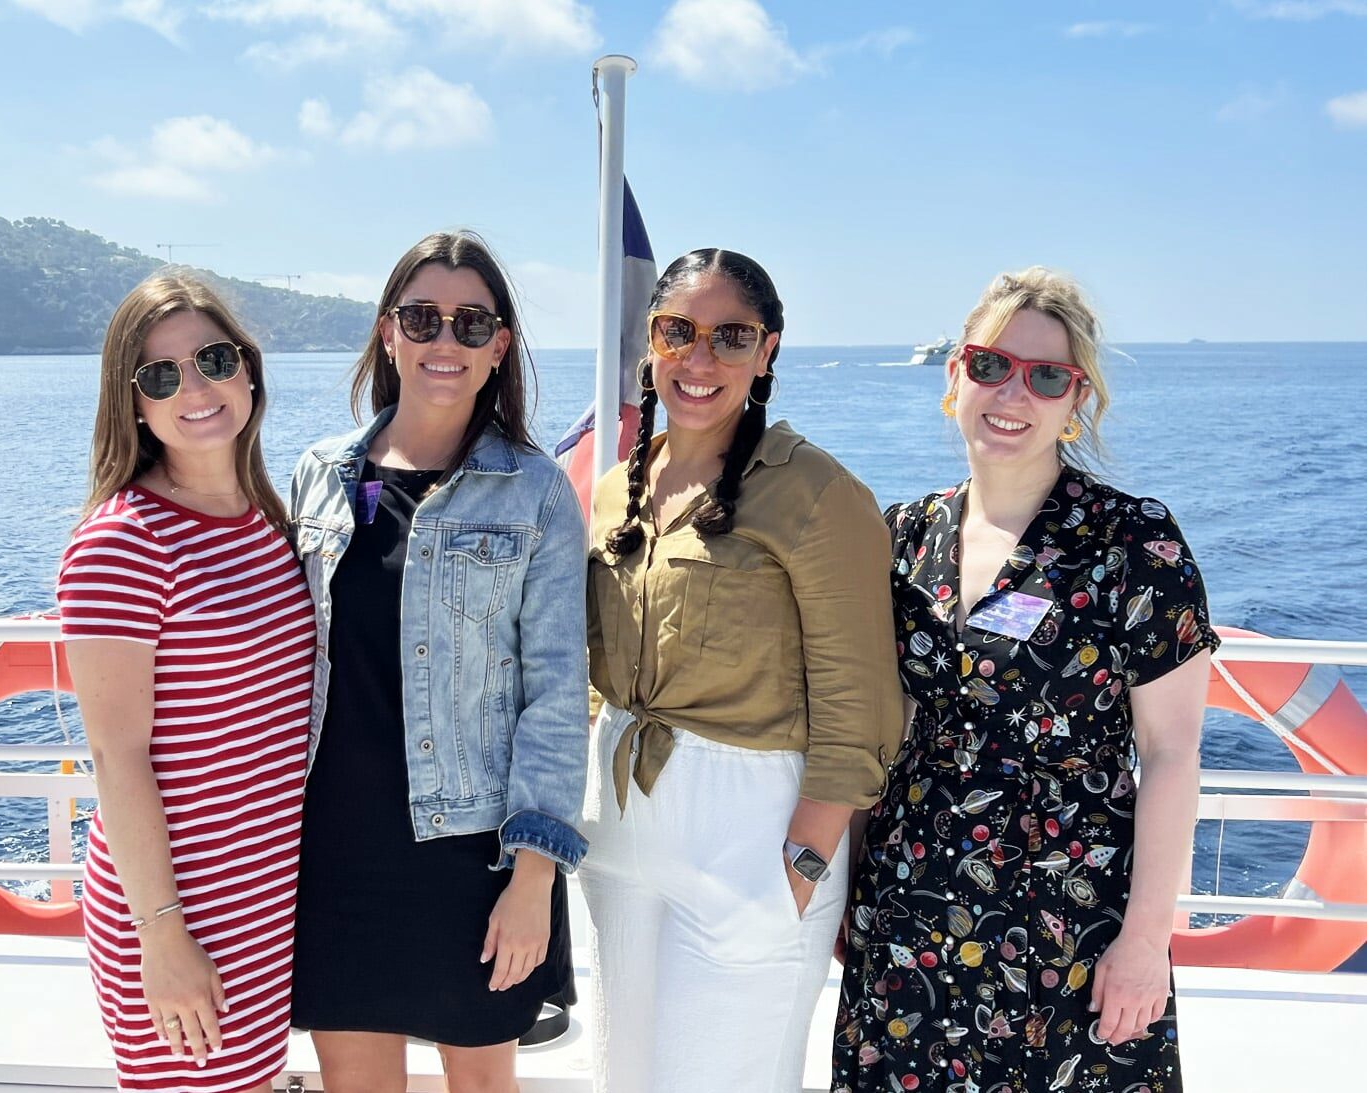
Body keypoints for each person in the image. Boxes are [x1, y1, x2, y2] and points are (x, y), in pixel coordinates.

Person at [833, 267, 1219, 1092]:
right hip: (911, 915)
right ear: (954, 377)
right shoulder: (902, 535)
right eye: (990, 364)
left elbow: (1173, 751)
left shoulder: (1133, 544)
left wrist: (1146, 941)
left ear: (1076, 399)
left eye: (1047, 376)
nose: (1014, 391)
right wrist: (849, 885)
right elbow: (881, 731)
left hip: (1069, 929)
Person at [580, 247, 905, 1092]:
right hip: (617, 830)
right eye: (676, 331)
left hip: (750, 833)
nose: (699, 359)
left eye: (731, 336)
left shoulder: (817, 494)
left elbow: (860, 704)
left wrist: (799, 870)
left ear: (768, 354)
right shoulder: (618, 487)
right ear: (649, 342)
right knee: (624, 1075)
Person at [286, 231, 588, 1093]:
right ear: (389, 334)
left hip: (474, 855)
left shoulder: (534, 490)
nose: (443, 342)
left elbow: (558, 694)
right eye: (422, 318)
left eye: (470, 323)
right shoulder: (320, 474)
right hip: (333, 846)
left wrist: (534, 876)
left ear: (499, 346)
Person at [58, 274, 316, 1092]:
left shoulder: (268, 523)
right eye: (160, 375)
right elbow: (116, 756)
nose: (193, 388)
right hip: (180, 908)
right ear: (132, 403)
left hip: (268, 896)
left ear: (248, 368)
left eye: (211, 359)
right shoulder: (120, 547)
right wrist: (161, 940)